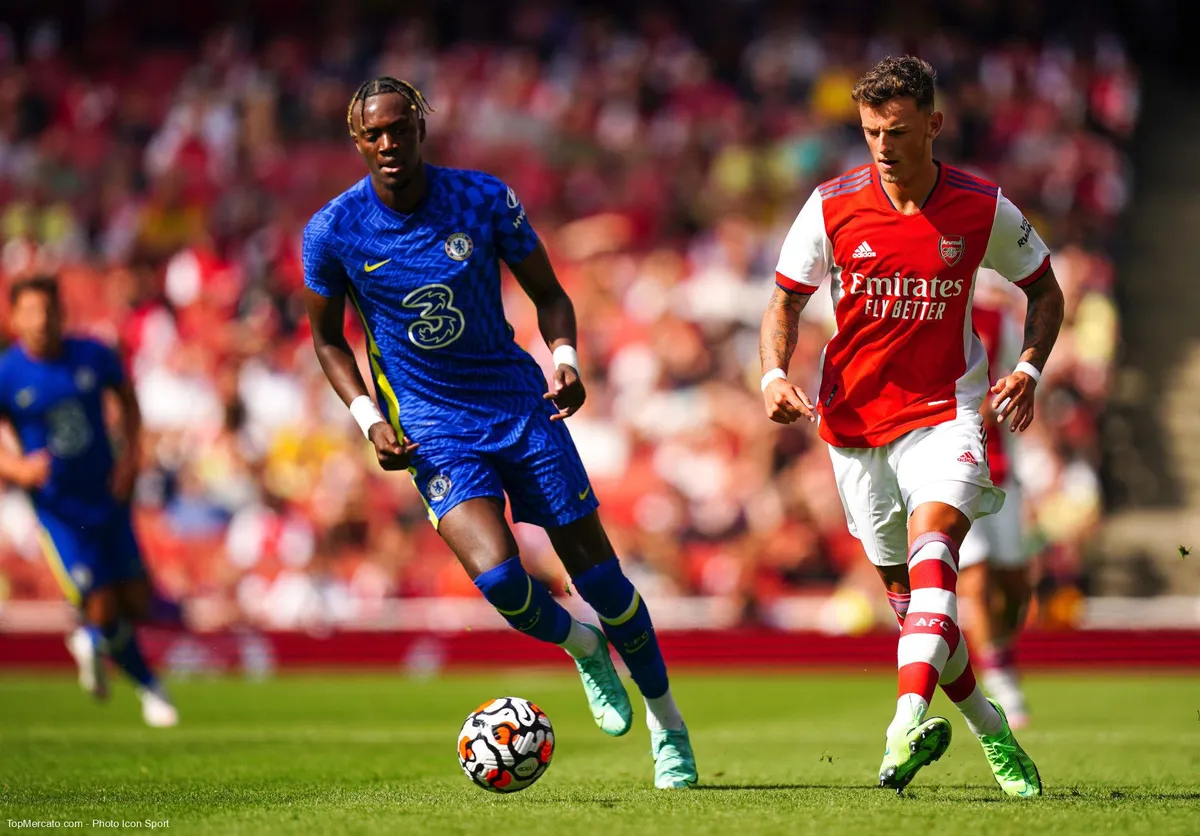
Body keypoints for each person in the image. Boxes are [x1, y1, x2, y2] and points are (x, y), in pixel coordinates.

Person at [301, 77, 697, 789]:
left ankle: (668, 726)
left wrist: (566, 359)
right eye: (374, 133)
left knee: (603, 581)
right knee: (501, 580)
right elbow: (328, 340)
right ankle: (583, 647)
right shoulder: (333, 231)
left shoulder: (483, 198)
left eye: (399, 127)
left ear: (421, 127)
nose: (389, 142)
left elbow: (550, 294)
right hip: (430, 426)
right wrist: (369, 419)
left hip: (518, 407)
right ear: (357, 141)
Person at [759, 56, 1063, 796]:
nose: (883, 147)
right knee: (916, 608)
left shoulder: (982, 208)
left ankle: (902, 726)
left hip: (946, 411)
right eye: (871, 132)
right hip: (854, 424)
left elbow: (1045, 291)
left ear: (933, 124)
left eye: (896, 131)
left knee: (937, 560)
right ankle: (993, 732)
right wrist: (772, 374)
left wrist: (1027, 369)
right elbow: (784, 302)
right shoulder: (830, 207)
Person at [0, 276, 178, 727]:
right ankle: (147, 685)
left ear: (62, 313)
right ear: (15, 318)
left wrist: (131, 459)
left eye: (47, 310)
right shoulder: (7, 373)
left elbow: (128, 402)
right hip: (58, 508)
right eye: (30, 311)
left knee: (135, 601)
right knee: (99, 598)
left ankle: (94, 641)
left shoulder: (92, 355)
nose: (40, 320)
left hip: (108, 495)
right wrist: (17, 469)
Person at [959, 286, 1031, 728]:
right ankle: (999, 676)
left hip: (999, 465)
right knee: (978, 574)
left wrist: (999, 402)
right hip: (952, 466)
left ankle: (1000, 651)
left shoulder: (995, 318)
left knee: (1015, 584)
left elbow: (1015, 379)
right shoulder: (922, 308)